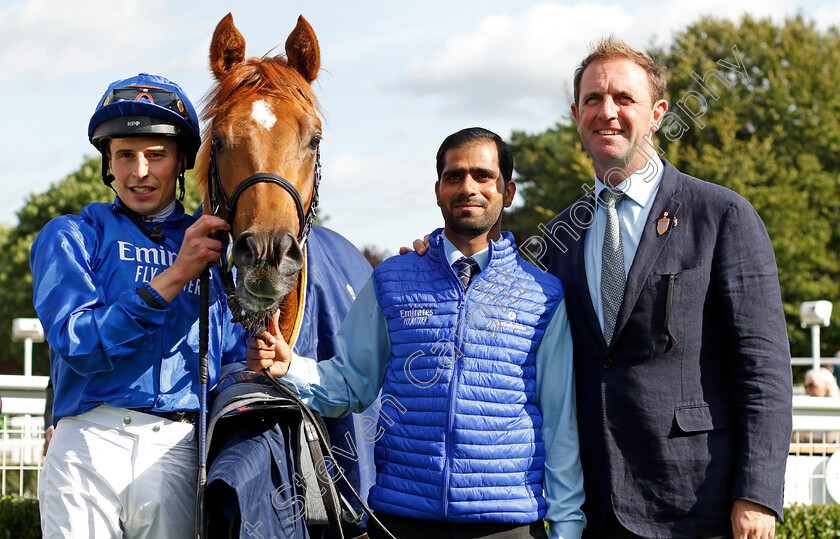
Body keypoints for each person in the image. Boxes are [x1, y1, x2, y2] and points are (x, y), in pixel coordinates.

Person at [248, 127, 586, 539]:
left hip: (508, 524)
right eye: (454, 176)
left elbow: (559, 423)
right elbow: (353, 383)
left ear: (508, 191)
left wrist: (567, 527)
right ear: (438, 189)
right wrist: (292, 368)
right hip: (403, 519)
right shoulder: (392, 279)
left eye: (483, 176)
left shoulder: (543, 294)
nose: (468, 188)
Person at [532, 39, 792, 538]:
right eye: (593, 99)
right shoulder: (558, 240)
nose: (607, 112)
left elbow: (765, 370)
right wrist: (436, 257)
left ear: (657, 113)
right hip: (594, 509)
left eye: (623, 99)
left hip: (700, 506)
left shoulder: (721, 216)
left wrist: (757, 494)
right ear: (575, 114)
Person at [32, 73, 245, 538]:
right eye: (125, 155)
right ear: (108, 162)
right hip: (87, 441)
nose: (140, 172)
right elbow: (78, 342)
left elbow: (234, 360)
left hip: (176, 448)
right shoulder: (71, 235)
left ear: (182, 161)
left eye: (156, 155)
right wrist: (174, 277)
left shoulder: (218, 246)